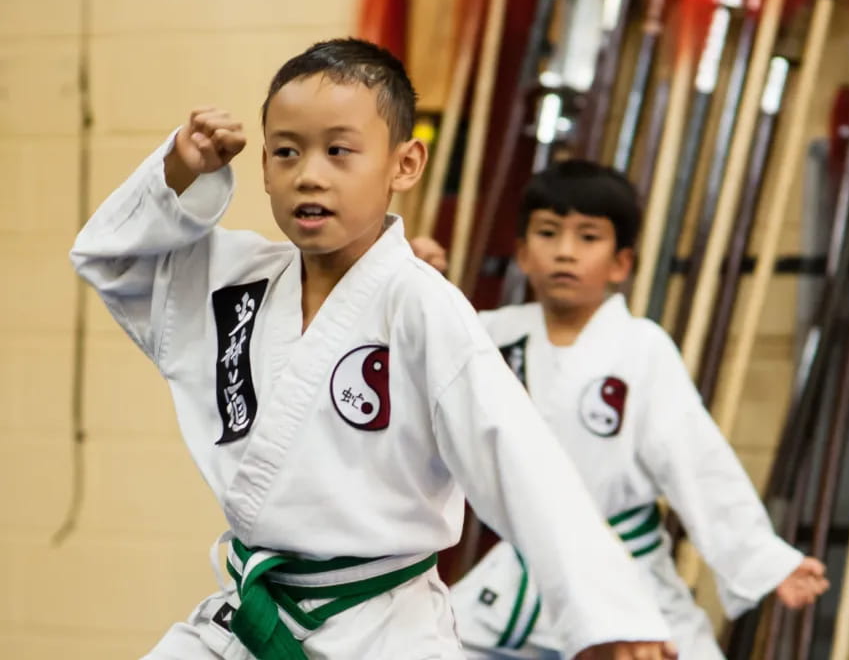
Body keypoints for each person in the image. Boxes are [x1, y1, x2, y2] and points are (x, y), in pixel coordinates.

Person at [70, 39, 676, 660]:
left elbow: (517, 455)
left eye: (339, 151)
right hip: (244, 622)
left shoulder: (420, 304)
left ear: (404, 165)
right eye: (286, 151)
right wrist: (181, 170)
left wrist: (609, 618)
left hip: (381, 633)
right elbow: (112, 260)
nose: (309, 173)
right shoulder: (239, 279)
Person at [411, 161, 829, 659]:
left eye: (588, 237)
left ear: (620, 264)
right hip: (524, 579)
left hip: (627, 575)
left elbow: (696, 459)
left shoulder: (640, 348)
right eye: (547, 233)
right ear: (522, 252)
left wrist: (763, 559)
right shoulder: (489, 336)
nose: (565, 251)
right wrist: (417, 285)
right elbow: (415, 363)